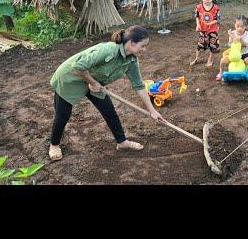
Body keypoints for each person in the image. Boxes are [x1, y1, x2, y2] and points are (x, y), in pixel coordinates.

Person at [48, 24, 162, 161]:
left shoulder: (131, 61)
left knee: (109, 111)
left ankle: (122, 142)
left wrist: (152, 111)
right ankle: (54, 144)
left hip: (94, 81)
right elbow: (78, 66)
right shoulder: (108, 50)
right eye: (142, 46)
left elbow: (139, 86)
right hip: (70, 78)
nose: (144, 50)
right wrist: (93, 83)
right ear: (131, 43)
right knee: (63, 115)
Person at [216, 14, 248, 82]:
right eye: (238, 26)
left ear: (246, 26)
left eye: (242, 26)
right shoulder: (233, 33)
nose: (239, 28)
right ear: (235, 25)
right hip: (235, 54)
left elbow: (245, 45)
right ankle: (221, 72)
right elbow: (229, 45)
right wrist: (231, 37)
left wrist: (240, 39)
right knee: (222, 61)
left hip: (245, 53)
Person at [190, 0, 221, 67]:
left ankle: (210, 59)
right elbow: (197, 16)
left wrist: (210, 23)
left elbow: (217, 19)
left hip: (212, 30)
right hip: (202, 30)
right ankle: (196, 58)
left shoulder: (215, 8)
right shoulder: (199, 7)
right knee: (200, 45)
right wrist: (198, 25)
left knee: (213, 46)